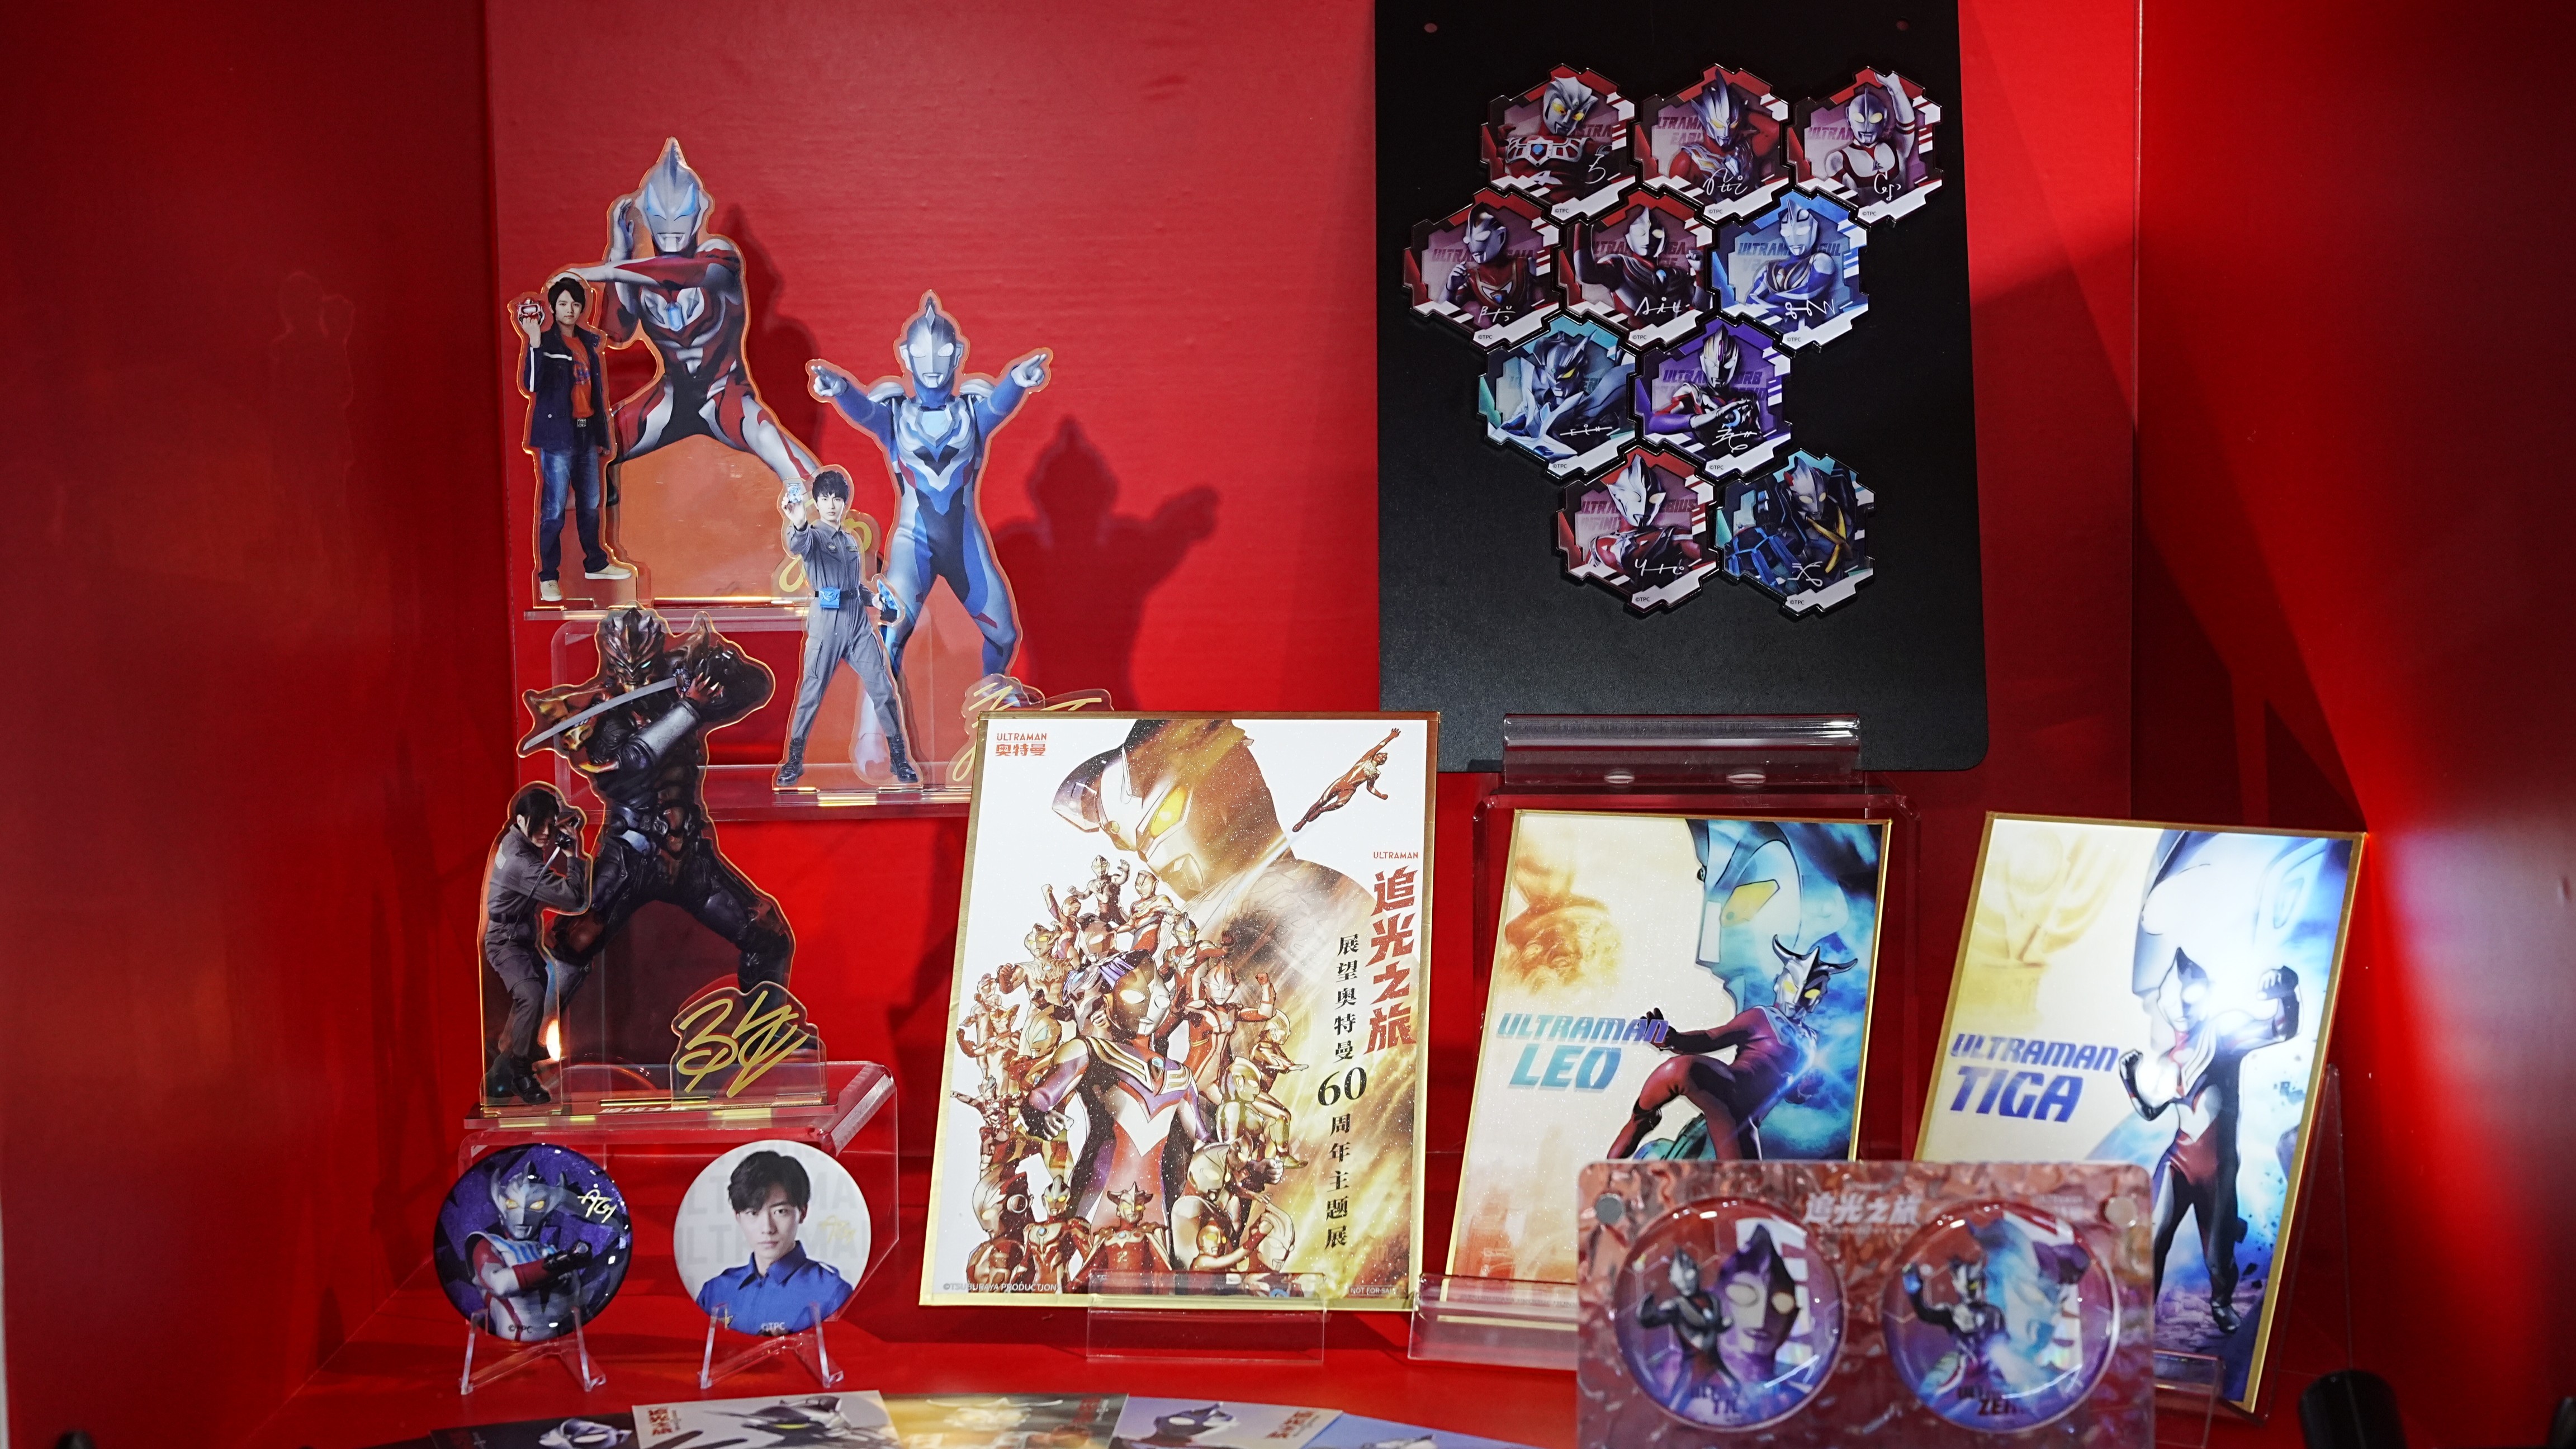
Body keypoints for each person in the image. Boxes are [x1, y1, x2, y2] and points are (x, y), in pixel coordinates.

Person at [807, 292, 1049, 679]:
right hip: (913, 542)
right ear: (907, 357)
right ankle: (887, 715)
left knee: (1004, 637)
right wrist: (841, 390)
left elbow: (996, 407)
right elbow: (867, 412)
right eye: (923, 354)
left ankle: (991, 698)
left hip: (963, 542)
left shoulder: (970, 412)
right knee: (891, 635)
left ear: (958, 355)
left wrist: (1018, 381)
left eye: (942, 354)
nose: (933, 365)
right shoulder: (896, 414)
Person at [775, 466, 916, 787]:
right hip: (827, 624)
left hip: (858, 624)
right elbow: (798, 543)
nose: (832, 505)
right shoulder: (813, 535)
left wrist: (875, 600)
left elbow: (856, 586)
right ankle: (793, 761)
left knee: (883, 689)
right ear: (816, 502)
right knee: (811, 693)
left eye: (837, 499)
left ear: (845, 503)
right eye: (825, 498)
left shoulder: (851, 541)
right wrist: (798, 521)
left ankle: (900, 759)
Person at [513, 276, 631, 602]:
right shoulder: (547, 342)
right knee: (553, 510)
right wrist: (534, 341)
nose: (570, 309)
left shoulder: (587, 343)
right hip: (557, 437)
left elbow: (596, 395)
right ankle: (548, 576)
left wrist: (602, 436)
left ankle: (596, 562)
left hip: (585, 433)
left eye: (576, 304)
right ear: (552, 307)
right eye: (563, 303)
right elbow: (531, 384)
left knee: (591, 504)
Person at [478, 783, 591, 1104]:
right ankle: (520, 1071)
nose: (545, 833)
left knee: (538, 986)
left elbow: (541, 826)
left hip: (521, 935)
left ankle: (516, 1045)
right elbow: (574, 898)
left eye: (549, 824)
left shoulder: (517, 837)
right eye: (538, 824)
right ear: (520, 820)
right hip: (506, 942)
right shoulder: (522, 866)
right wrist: (572, 855)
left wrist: (557, 824)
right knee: (530, 995)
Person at [694, 1149, 855, 1335]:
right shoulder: (714, 1291)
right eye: (753, 1213)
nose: (768, 1228)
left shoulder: (832, 1293)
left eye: (780, 1212)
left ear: (802, 1213)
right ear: (738, 1217)